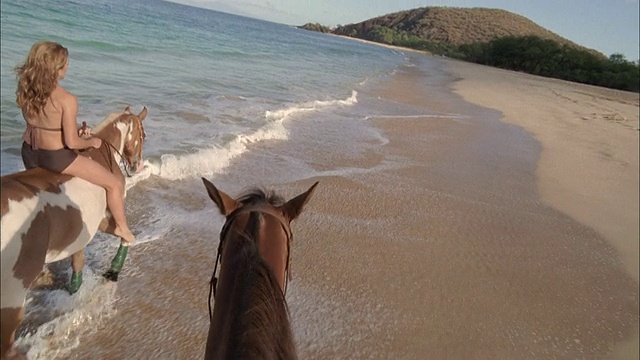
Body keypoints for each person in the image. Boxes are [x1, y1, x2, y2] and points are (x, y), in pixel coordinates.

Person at [15, 41, 135, 244]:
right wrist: (93, 141)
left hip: (28, 152)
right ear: (56, 68)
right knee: (114, 183)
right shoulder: (67, 99)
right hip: (55, 158)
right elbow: (71, 142)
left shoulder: (25, 87)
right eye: (65, 63)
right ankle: (122, 228)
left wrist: (73, 130)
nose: (68, 66)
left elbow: (42, 123)